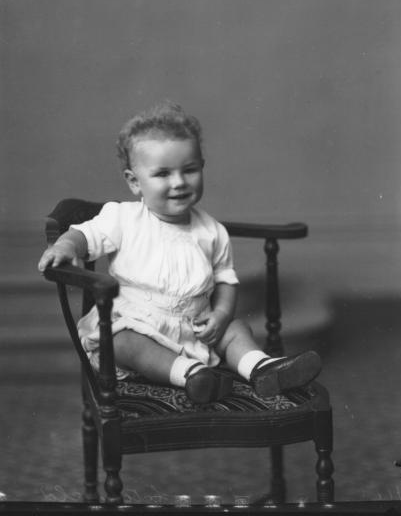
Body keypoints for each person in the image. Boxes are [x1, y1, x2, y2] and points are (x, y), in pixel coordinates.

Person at [38, 100, 322, 404]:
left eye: (189, 170)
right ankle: (192, 375)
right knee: (122, 341)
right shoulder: (123, 218)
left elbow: (226, 280)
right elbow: (85, 233)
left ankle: (262, 369)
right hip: (140, 329)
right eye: (162, 174)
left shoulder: (212, 231)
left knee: (237, 328)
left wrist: (221, 315)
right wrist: (67, 245)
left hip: (195, 330)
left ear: (202, 167)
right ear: (135, 182)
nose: (178, 183)